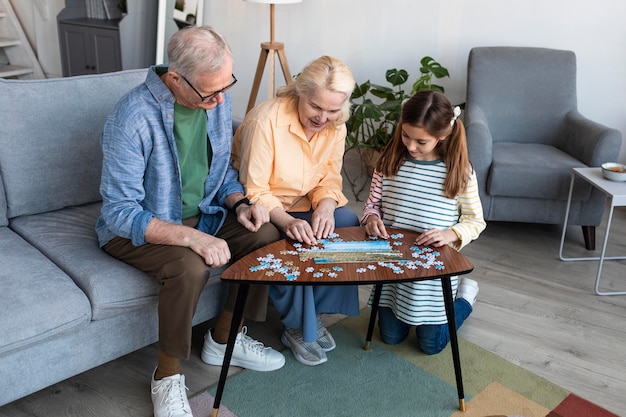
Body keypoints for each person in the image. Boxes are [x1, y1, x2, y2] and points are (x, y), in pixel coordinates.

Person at [96, 26, 285, 417]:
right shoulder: (131, 118)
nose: (219, 101)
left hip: (208, 215)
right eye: (209, 93)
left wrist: (240, 203)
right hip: (138, 229)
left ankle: (223, 340)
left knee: (265, 233)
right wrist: (190, 238)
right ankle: (166, 377)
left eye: (225, 87)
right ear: (176, 79)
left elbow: (221, 176)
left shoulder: (212, 100)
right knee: (190, 266)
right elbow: (119, 212)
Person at [232, 55, 360, 366]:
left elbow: (329, 177)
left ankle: (313, 314)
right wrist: (288, 222)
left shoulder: (335, 123)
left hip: (302, 203)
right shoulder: (266, 120)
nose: (323, 117)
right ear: (300, 91)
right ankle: (296, 325)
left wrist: (326, 208)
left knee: (345, 221)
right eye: (316, 107)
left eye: (332, 110)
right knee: (289, 240)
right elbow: (256, 189)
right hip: (261, 208)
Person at [361, 90, 486, 355]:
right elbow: (372, 205)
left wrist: (450, 233)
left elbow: (475, 221)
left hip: (432, 276)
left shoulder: (460, 172)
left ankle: (464, 297)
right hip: (393, 268)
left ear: (442, 136)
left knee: (432, 345)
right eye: (405, 135)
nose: (410, 146)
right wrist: (371, 218)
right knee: (390, 337)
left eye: (421, 141)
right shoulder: (387, 162)